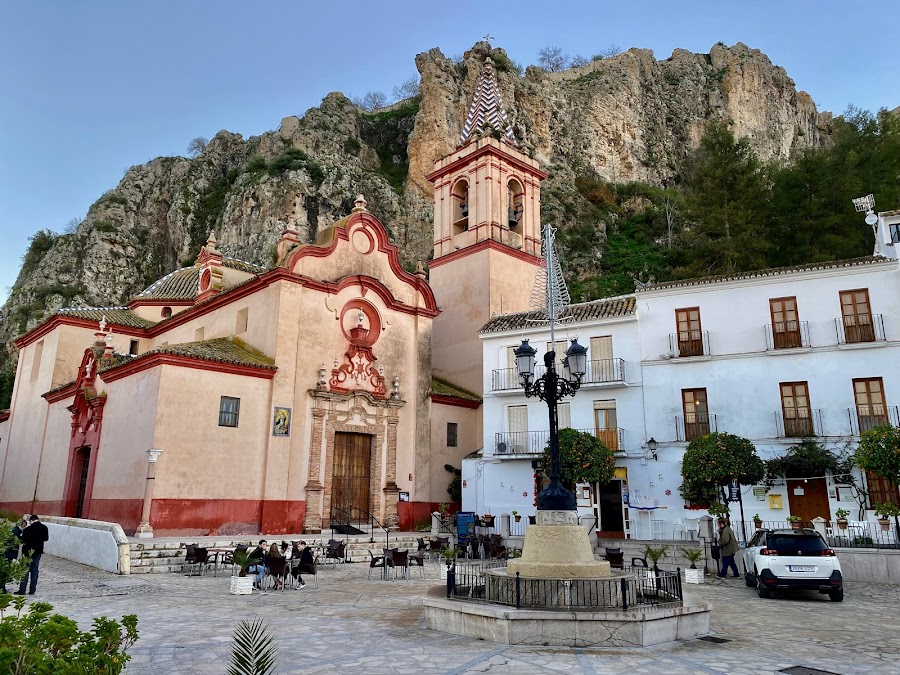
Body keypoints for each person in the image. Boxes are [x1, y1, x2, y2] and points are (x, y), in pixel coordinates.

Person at [16, 514, 49, 595]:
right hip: (38, 552)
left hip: (27, 552)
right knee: (35, 570)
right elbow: (46, 538)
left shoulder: (28, 529)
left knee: (25, 571)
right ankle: (32, 590)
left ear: (31, 521)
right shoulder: (44, 528)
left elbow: (22, 540)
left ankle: (22, 589)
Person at [2, 515, 28, 594]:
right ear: (21, 525)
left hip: (8, 553)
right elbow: (12, 544)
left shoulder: (15, 530)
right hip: (8, 554)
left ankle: (3, 588)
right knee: (5, 572)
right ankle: (2, 589)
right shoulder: (15, 532)